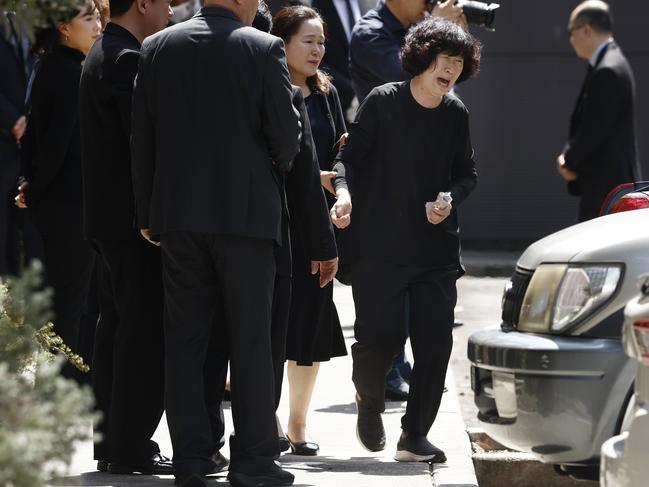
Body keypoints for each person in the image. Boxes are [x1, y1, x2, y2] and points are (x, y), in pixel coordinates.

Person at [130, 0, 301, 485]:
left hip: (178, 216)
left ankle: (190, 460)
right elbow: (287, 139)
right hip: (246, 217)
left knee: (184, 343)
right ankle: (252, 461)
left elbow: (141, 137)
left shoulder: (157, 46)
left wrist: (148, 212)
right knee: (250, 342)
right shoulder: (263, 47)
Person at [330, 17, 480, 462]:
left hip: (435, 252)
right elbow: (348, 158)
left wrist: (450, 199)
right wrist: (343, 193)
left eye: (458, 62)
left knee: (435, 347)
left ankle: (414, 435)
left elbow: (466, 174)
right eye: (444, 59)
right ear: (422, 58)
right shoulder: (383, 101)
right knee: (379, 341)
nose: (450, 69)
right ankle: (369, 402)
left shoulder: (456, 114)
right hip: (380, 248)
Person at [78, 0, 176, 475]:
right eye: (165, 3)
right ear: (142, 4)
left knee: (115, 330)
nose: (170, 13)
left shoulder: (104, 51)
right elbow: (141, 141)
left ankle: (114, 443)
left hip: (110, 221)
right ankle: (131, 446)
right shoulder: (125, 59)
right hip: (131, 224)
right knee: (140, 335)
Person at [271, 5, 347, 456]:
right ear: (282, 43)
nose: (318, 49)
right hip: (279, 220)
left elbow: (341, 151)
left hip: (319, 224)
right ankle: (271, 419)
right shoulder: (269, 86)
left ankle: (298, 423)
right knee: (270, 321)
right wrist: (311, 176)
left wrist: (340, 187)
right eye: (308, 41)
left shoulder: (326, 92)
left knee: (312, 323)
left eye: (321, 41)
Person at [14, 1, 101, 382]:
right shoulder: (67, 72)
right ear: (64, 27)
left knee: (66, 298)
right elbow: (55, 145)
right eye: (89, 18)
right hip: (68, 203)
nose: (98, 24)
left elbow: (36, 138)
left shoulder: (55, 66)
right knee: (69, 300)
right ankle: (63, 383)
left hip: (57, 200)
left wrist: (31, 186)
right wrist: (33, 188)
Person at [556, 0, 639, 222]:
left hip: (607, 188)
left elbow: (594, 129)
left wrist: (569, 161)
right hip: (609, 185)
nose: (571, 39)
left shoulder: (608, 70)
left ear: (586, 29)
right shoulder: (611, 63)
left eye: (571, 32)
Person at [349, 0, 463, 102]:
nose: (429, 2)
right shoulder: (369, 33)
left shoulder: (418, 26)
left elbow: (447, 75)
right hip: (386, 124)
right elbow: (408, 76)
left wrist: (456, 39)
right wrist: (437, 26)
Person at [0, 11, 29, 276]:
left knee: (15, 241)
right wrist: (12, 120)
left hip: (21, 150)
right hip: (5, 138)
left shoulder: (19, 16)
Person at [311, 0, 362, 122]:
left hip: (366, 103)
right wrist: (352, 93)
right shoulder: (314, 5)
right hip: (331, 107)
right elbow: (313, 58)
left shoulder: (367, 4)